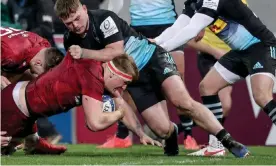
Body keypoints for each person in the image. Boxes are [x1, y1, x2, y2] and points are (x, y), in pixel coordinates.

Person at [55, 0, 249, 157]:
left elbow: (116, 52)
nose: (75, 26)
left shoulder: (104, 19)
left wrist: (84, 52)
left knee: (183, 102)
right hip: (135, 81)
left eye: (77, 19)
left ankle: (227, 140)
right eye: (69, 24)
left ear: (84, 9)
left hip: (153, 60)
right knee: (161, 130)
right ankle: (172, 135)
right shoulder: (71, 39)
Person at [155, 0, 276, 155]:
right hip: (239, 52)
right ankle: (215, 146)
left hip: (261, 46)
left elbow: (191, 30)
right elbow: (178, 27)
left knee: (261, 96)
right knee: (207, 87)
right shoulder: (194, 2)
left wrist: (161, 49)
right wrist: (157, 43)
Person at [1, 50, 161, 155]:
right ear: (113, 74)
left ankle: (32, 140)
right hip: (15, 107)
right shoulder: (93, 77)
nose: (124, 88)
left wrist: (140, 134)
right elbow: (94, 123)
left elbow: (120, 103)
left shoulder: (100, 72)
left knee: (16, 147)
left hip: (25, 108)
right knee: (3, 149)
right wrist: (119, 113)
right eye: (124, 82)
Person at [99, 0, 199, 150]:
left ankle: (188, 136)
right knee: (127, 81)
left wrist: (197, 17)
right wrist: (111, 17)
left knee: (177, 82)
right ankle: (122, 136)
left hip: (168, 24)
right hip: (138, 27)